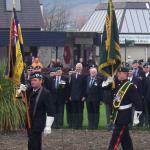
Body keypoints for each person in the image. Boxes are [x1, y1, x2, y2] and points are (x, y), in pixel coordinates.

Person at [105, 67, 142, 150]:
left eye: (120, 73)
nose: (118, 74)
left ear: (125, 74)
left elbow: (138, 103)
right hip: (117, 114)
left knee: (115, 139)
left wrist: (136, 117)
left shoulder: (130, 86)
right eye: (119, 73)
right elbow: (104, 87)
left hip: (124, 116)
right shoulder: (116, 83)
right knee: (125, 139)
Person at [18, 73, 54, 150]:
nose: (32, 82)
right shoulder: (30, 90)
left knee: (35, 142)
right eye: (31, 80)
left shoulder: (46, 93)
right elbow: (22, 100)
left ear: (41, 81)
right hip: (29, 120)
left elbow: (50, 110)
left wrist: (48, 126)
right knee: (31, 142)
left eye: (35, 80)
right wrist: (20, 90)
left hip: (38, 122)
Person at [69, 63, 86, 129]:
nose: (78, 68)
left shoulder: (84, 76)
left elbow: (84, 87)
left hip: (80, 97)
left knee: (80, 111)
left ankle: (79, 125)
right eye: (77, 67)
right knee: (74, 111)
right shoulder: (72, 76)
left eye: (79, 67)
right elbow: (71, 86)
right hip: (73, 97)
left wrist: (84, 96)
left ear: (81, 68)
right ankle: (74, 124)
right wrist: (70, 95)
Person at [142, 62, 150, 128]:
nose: (146, 68)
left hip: (148, 96)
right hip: (143, 97)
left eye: (147, 67)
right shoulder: (142, 75)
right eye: (144, 67)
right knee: (144, 111)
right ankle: (145, 123)